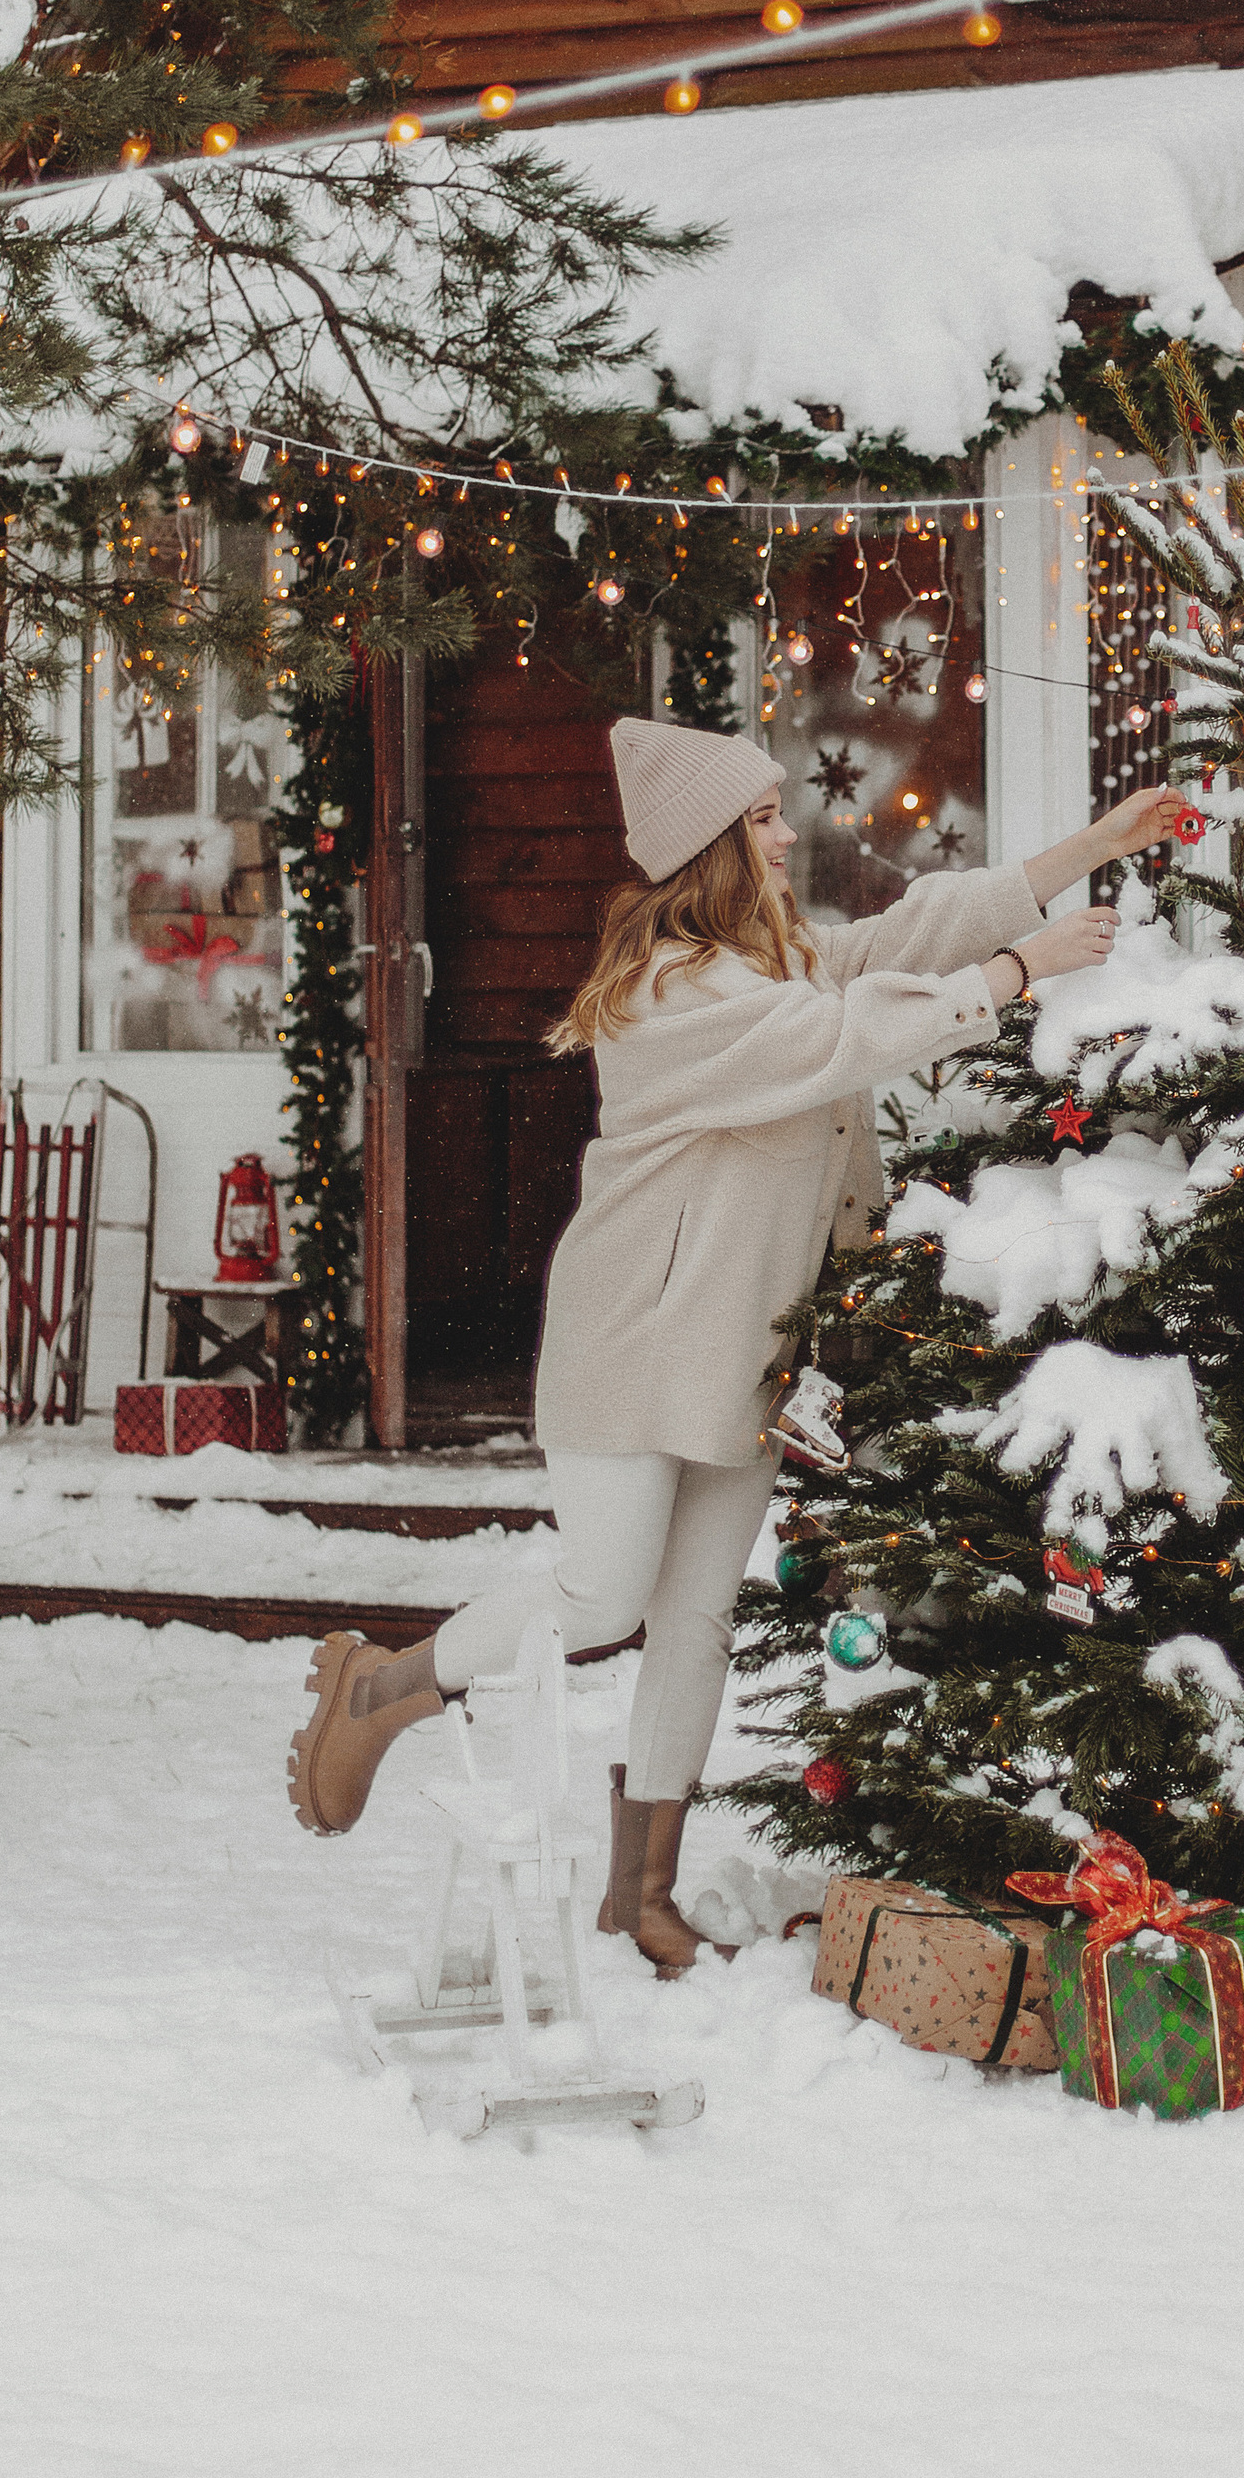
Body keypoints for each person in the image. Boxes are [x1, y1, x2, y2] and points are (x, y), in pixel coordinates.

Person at [287, 710, 1184, 1973]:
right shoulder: (673, 993)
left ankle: (640, 1891)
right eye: (760, 817)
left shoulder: (769, 960)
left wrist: (1094, 841)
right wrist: (1017, 973)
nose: (782, 834)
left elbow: (897, 939)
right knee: (601, 1594)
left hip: (743, 1344)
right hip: (634, 1337)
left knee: (696, 1615)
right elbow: (842, 1037)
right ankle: (386, 1687)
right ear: (710, 842)